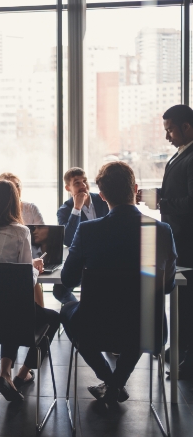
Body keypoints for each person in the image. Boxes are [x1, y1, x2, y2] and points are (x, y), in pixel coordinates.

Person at [60, 162, 176, 404]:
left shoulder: (89, 231)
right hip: (149, 329)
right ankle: (117, 382)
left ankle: (110, 380)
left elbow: (67, 280)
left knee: (67, 311)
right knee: (138, 318)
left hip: (96, 326)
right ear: (135, 188)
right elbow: (167, 286)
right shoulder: (160, 230)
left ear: (101, 196)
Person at [0, 180, 60, 402]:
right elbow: (26, 282)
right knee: (51, 318)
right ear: (15, 204)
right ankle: (22, 373)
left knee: (13, 309)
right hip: (13, 316)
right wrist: (35, 268)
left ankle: (5, 373)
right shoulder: (20, 232)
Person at [137, 104, 193, 379]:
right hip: (177, 240)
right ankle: (180, 350)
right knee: (181, 300)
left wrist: (162, 201)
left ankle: (188, 361)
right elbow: (175, 192)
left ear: (186, 127)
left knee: (188, 303)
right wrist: (152, 196)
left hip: (188, 243)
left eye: (170, 129)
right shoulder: (179, 156)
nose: (167, 136)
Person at [54, 167, 109, 304]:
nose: (83, 186)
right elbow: (67, 240)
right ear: (68, 188)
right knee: (60, 290)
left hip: (106, 257)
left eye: (85, 181)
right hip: (82, 259)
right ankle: (79, 310)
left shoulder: (103, 200)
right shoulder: (64, 210)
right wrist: (76, 209)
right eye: (77, 183)